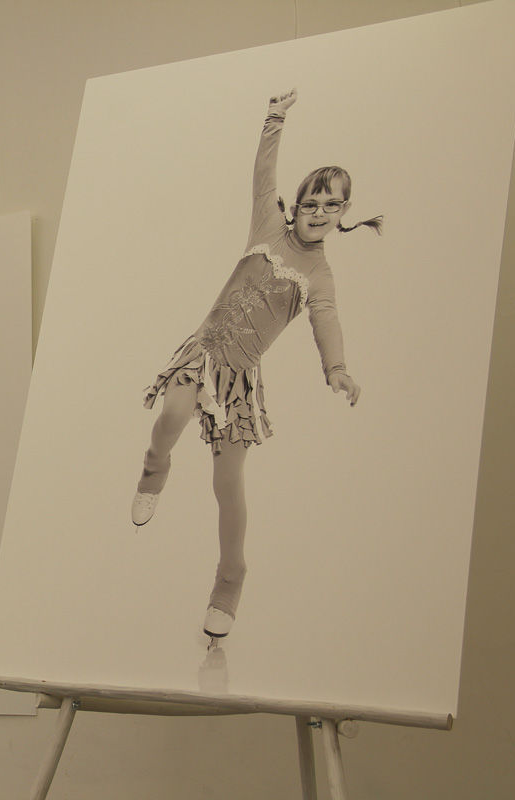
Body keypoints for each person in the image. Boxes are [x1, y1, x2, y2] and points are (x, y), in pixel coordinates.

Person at [130, 89, 382, 639]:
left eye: (331, 205)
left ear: (344, 213)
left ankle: (230, 576)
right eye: (311, 203)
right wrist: (275, 118)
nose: (318, 213)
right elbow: (263, 175)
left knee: (228, 484)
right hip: (202, 352)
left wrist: (337, 369)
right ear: (296, 206)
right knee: (172, 415)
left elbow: (326, 320)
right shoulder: (267, 227)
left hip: (239, 381)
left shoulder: (319, 276)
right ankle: (154, 465)